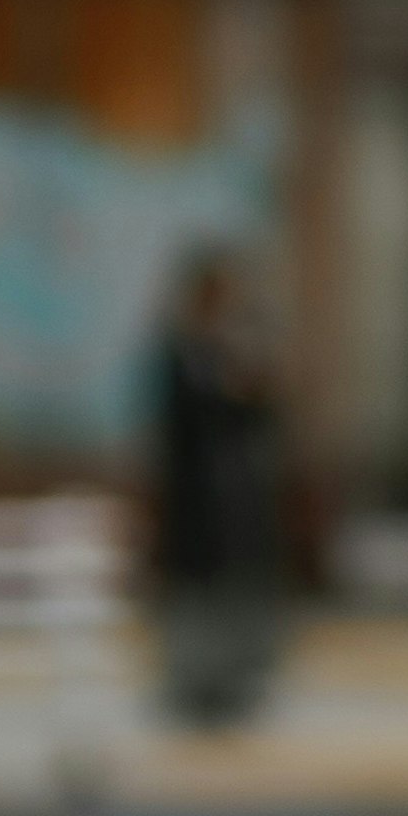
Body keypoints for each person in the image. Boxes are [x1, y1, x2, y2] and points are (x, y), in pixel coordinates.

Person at [143, 248, 290, 727]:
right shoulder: (179, 355)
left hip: (233, 506)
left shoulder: (225, 354)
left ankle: (233, 680)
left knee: (231, 589)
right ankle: (194, 684)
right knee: (194, 593)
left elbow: (258, 414)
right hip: (194, 505)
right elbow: (184, 426)